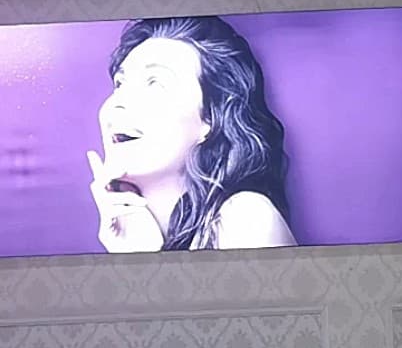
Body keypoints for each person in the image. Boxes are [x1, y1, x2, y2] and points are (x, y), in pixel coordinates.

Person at [88, 15, 296, 252]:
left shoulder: (246, 217)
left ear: (211, 119)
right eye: (120, 84)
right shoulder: (124, 234)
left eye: (155, 83)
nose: (117, 103)